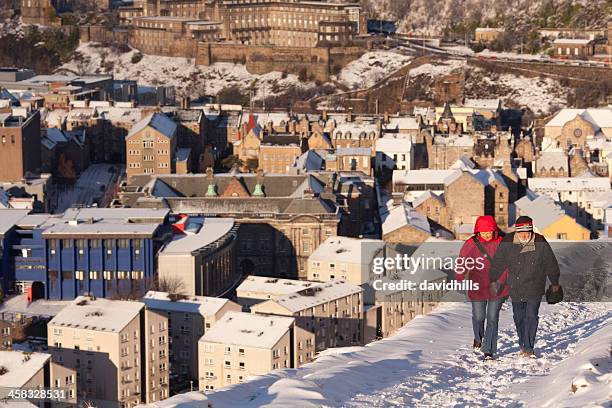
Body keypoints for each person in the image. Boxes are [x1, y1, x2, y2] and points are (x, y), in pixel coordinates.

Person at [489, 216, 561, 358]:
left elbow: (550, 262)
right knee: (519, 317)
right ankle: (523, 343)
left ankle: (528, 347)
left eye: (527, 233)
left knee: (531, 316)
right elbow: (498, 262)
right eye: (521, 233)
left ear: (531, 231)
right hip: (515, 286)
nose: (524, 236)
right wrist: (493, 279)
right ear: (516, 231)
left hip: (535, 285)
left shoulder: (540, 241)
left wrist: (554, 282)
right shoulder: (508, 241)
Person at [456, 215, 508, 361]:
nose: (487, 235)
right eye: (484, 232)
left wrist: (500, 281)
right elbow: (462, 261)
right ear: (478, 231)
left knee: (492, 317)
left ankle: (488, 350)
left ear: (494, 231)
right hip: (477, 285)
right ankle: (478, 337)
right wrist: (459, 278)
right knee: (479, 316)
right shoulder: (471, 243)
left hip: (496, 287)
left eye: (489, 232)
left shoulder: (500, 242)